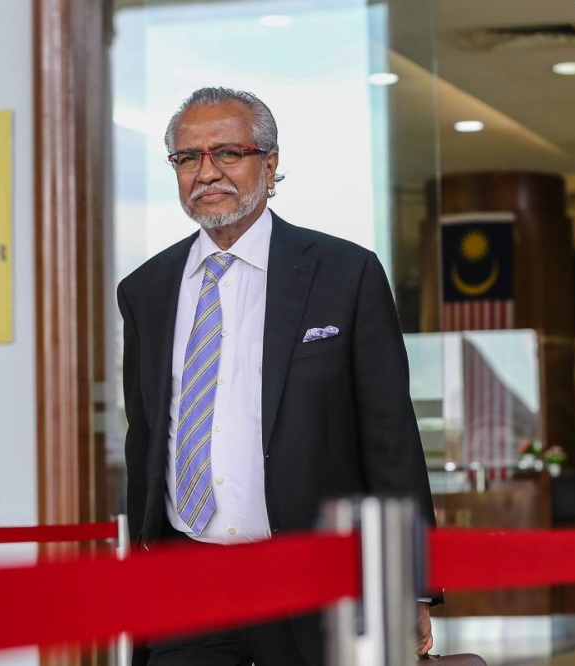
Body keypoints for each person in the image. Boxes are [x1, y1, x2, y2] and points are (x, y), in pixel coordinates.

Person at [117, 87, 438, 665]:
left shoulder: (345, 274)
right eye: (188, 158)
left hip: (310, 578)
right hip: (188, 579)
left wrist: (410, 582)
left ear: (269, 164)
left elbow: (390, 440)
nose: (206, 173)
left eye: (227, 153)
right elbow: (145, 440)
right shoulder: (146, 290)